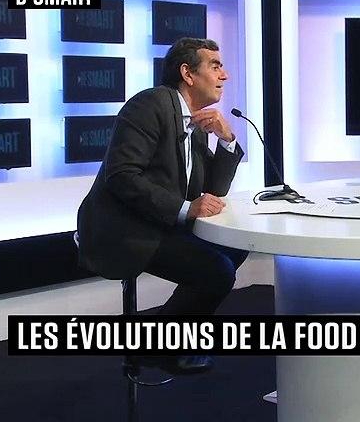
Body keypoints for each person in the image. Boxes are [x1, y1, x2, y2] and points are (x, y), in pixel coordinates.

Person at [77, 37, 248, 375]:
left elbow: (212, 191)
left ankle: (163, 339)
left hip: (157, 222)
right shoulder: (150, 104)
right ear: (187, 73)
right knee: (216, 270)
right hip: (121, 228)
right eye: (215, 66)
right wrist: (186, 208)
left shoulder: (195, 123)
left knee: (234, 246)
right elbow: (122, 176)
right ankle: (163, 346)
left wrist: (227, 140)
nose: (224, 75)